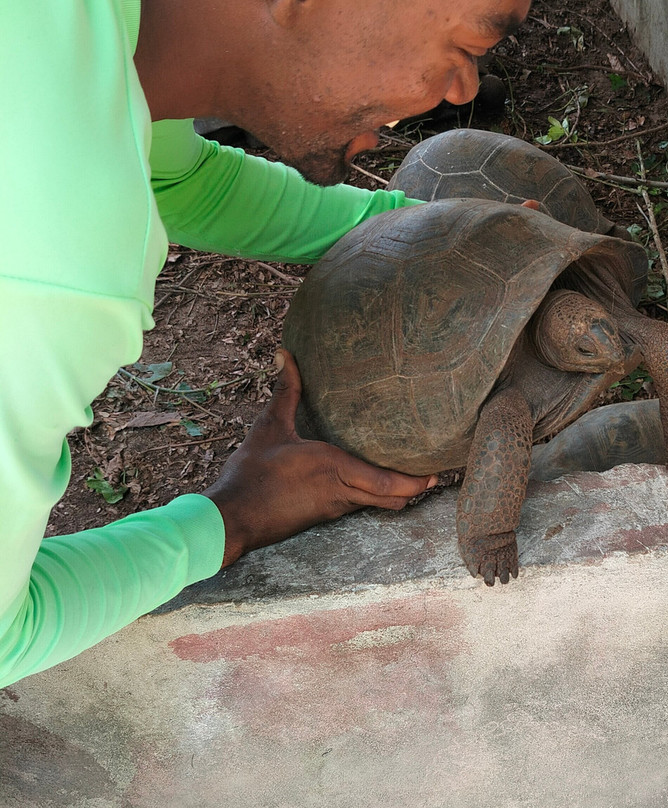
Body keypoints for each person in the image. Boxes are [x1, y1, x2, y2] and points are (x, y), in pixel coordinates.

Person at [0, 0, 532, 687]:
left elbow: (179, 181)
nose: (464, 89)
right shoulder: (60, 256)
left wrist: (426, 231)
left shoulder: (97, 40)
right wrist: (234, 516)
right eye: (469, 43)